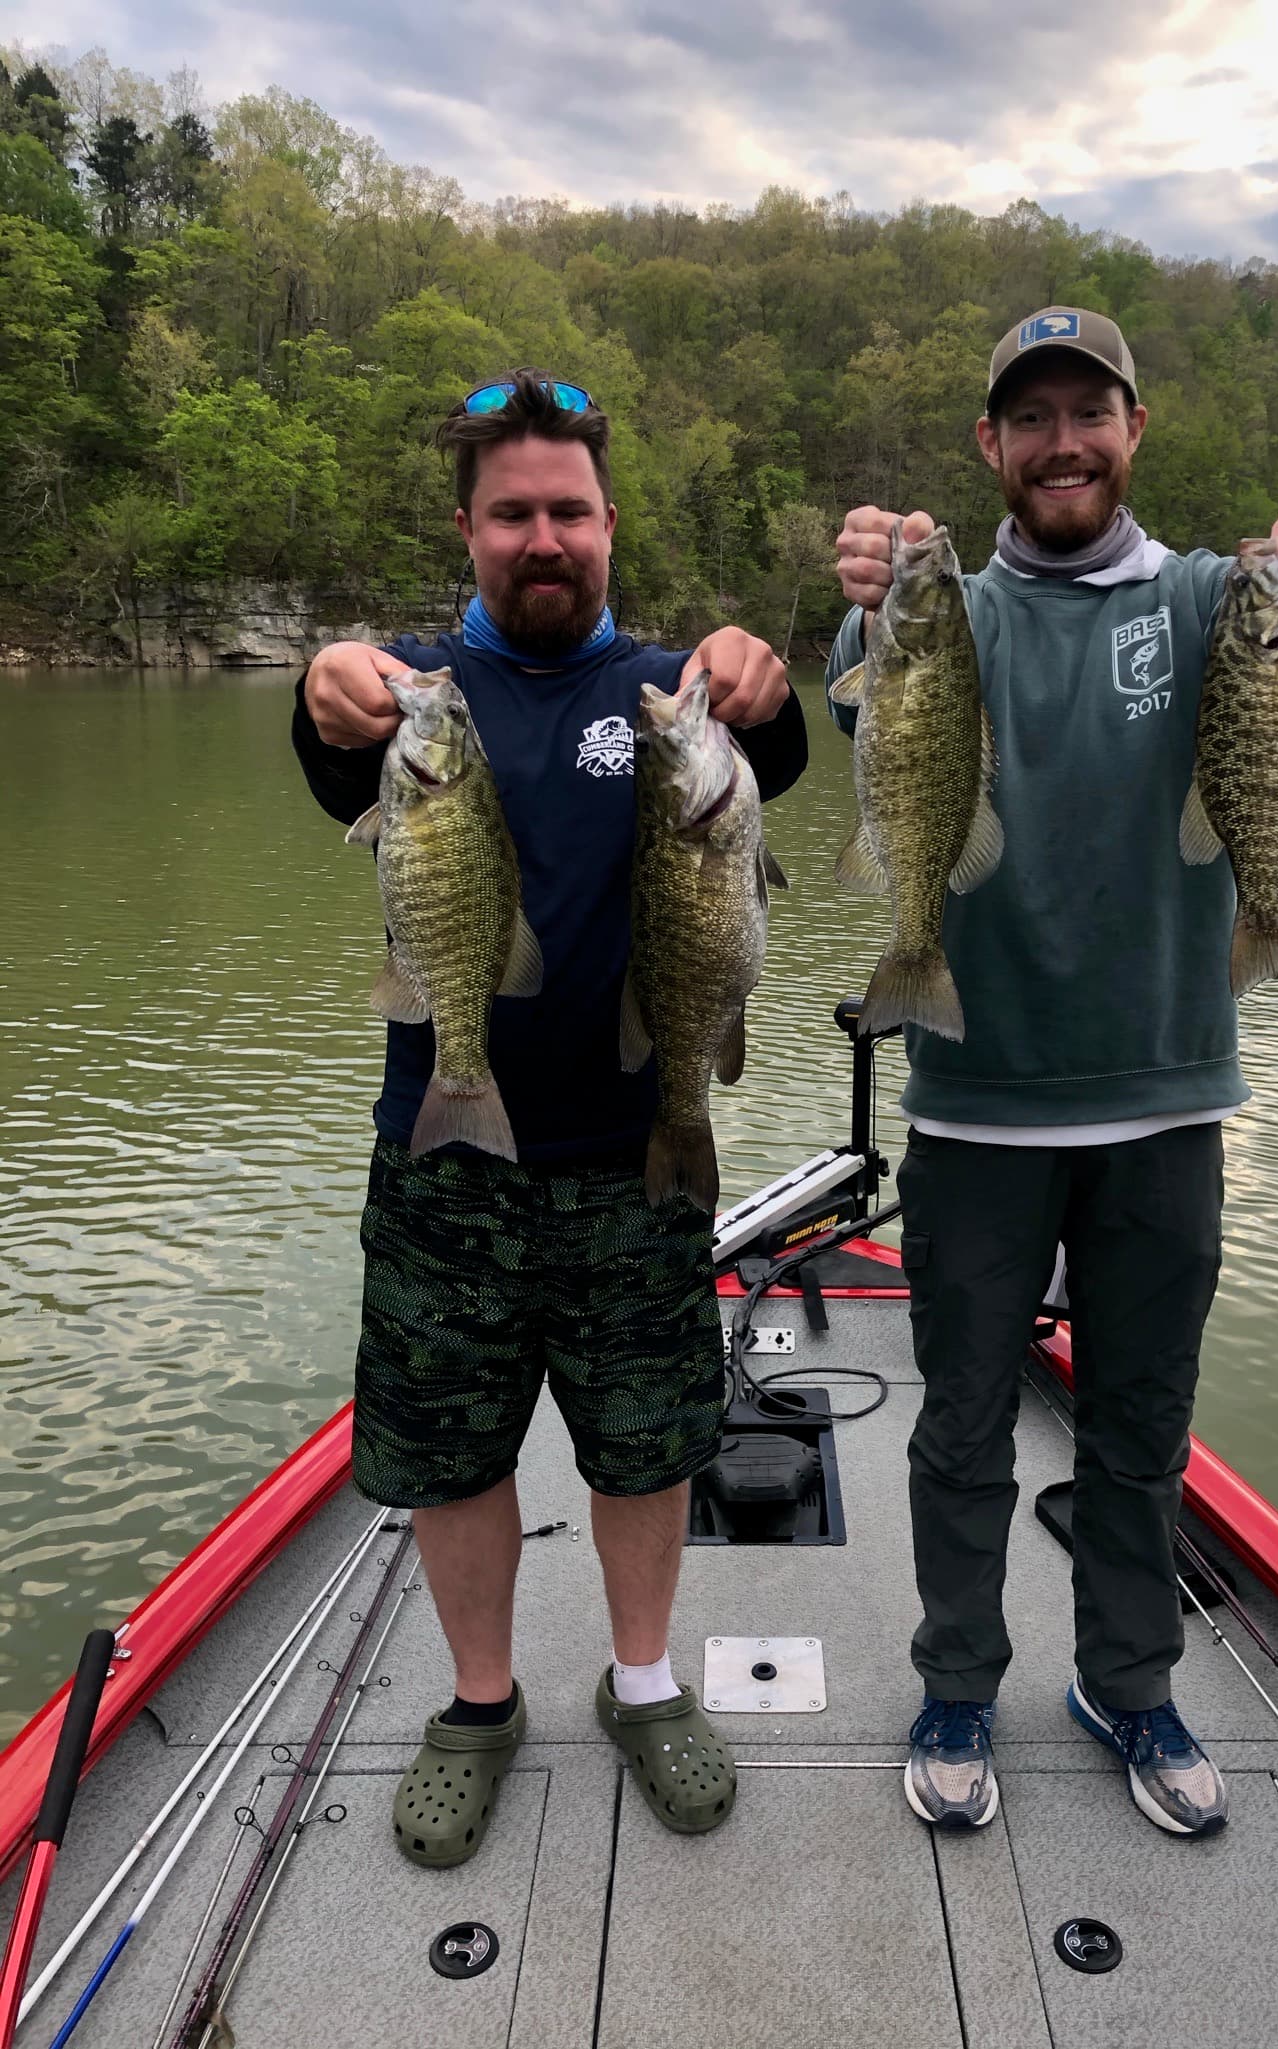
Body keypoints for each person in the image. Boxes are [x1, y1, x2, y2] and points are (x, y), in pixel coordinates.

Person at [828, 307, 1278, 1837]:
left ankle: (1129, 1682)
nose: (1062, 441)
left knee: (1141, 1427)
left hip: (1167, 1100)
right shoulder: (952, 616)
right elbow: (870, 694)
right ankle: (957, 1680)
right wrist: (873, 587)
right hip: (976, 1101)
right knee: (959, 1426)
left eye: (1091, 411)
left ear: (1136, 429)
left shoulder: (1211, 599)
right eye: (1032, 416)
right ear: (990, 445)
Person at [293, 369, 806, 1862]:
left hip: (636, 1155)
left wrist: (760, 683)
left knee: (645, 1443)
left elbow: (766, 753)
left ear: (609, 523)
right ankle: (480, 1699)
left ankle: (643, 1683)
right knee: (453, 1452)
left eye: (567, 511)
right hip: (444, 1158)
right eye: (511, 512)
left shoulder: (667, 693)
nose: (542, 538)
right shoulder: (411, 699)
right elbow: (327, 735)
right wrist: (320, 685)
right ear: (467, 528)